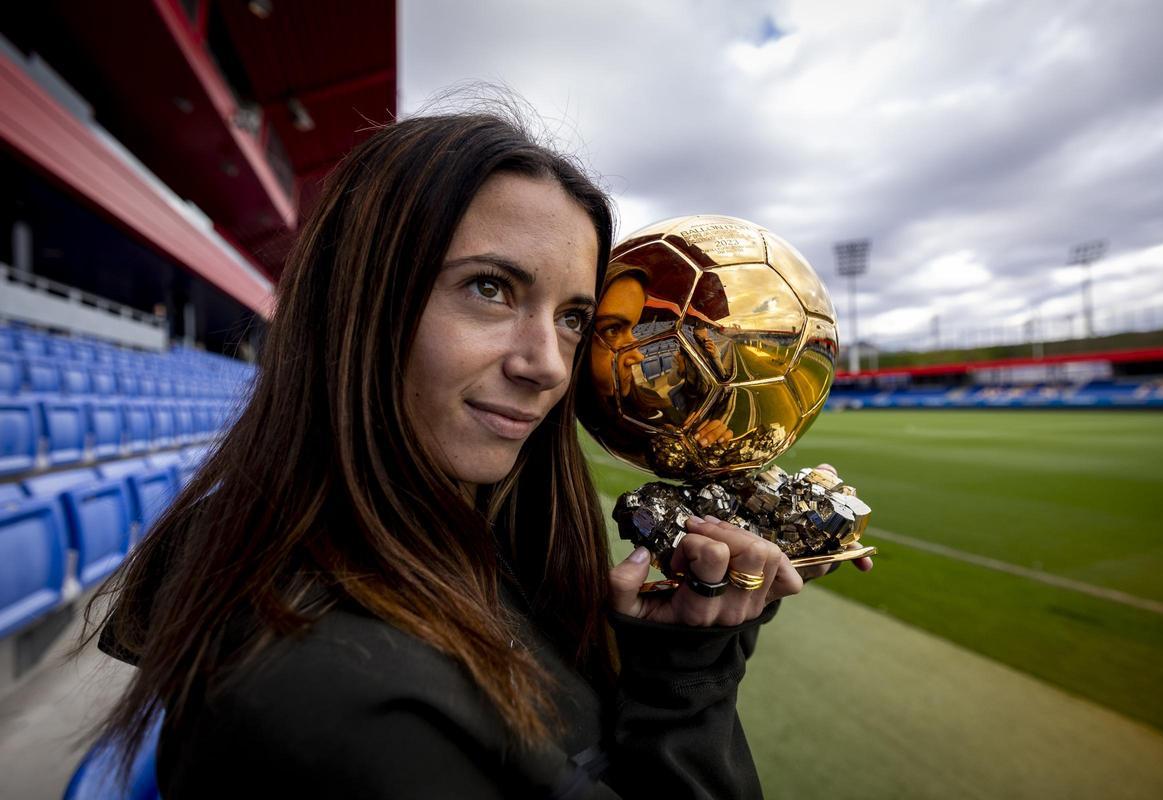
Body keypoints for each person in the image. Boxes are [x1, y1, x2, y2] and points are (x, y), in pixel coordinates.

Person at [84, 109, 868, 798]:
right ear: (356, 302)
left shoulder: (456, 553)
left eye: (572, 317)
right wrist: (693, 691)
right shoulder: (337, 701)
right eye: (490, 289)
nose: (548, 364)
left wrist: (670, 657)